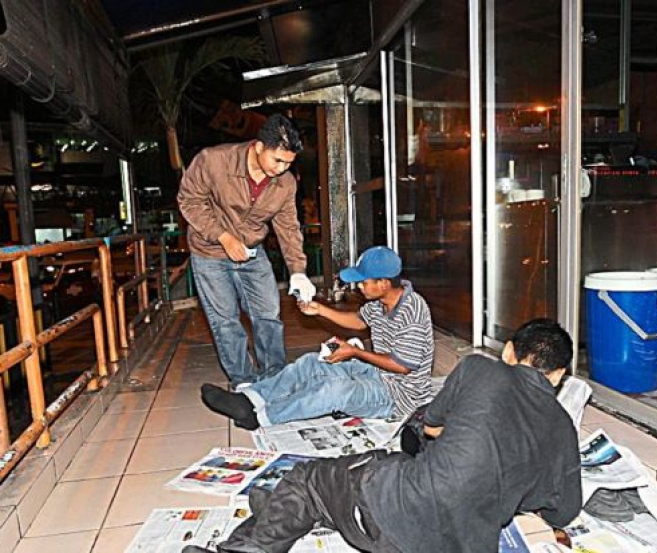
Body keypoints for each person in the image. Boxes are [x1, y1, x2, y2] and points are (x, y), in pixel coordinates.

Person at [216, 318, 583, 553]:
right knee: (347, 487)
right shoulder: (564, 427)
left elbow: (432, 427)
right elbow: (563, 512)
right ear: (558, 375)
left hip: (388, 513)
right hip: (461, 545)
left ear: (509, 352)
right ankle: (279, 510)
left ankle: (257, 537)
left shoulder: (479, 368)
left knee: (309, 480)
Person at [200, 246, 434, 430]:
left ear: (383, 283)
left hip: (398, 397)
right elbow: (360, 320)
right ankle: (250, 398)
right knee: (312, 362)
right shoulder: (380, 301)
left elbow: (402, 366)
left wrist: (355, 352)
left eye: (364, 282)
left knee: (334, 390)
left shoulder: (412, 310)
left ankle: (259, 417)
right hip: (379, 374)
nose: (359, 287)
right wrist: (320, 310)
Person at [177, 114, 316, 386]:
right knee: (225, 320)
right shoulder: (214, 161)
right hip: (209, 252)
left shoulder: (286, 183)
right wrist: (223, 237)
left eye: (289, 163)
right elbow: (189, 201)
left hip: (252, 252)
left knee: (268, 314)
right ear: (259, 146)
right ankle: (243, 380)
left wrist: (298, 271)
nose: (282, 169)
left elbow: (288, 227)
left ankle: (274, 377)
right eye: (278, 160)